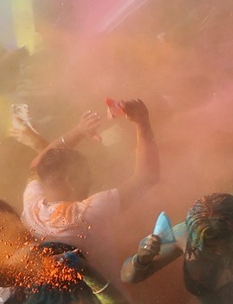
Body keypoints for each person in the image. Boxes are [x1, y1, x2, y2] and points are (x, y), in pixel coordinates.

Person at [21, 98, 158, 276]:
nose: (90, 181)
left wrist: (79, 131)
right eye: (85, 176)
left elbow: (36, 165)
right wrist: (143, 121)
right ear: (70, 180)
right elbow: (148, 177)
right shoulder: (83, 214)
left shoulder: (31, 203)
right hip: (112, 297)